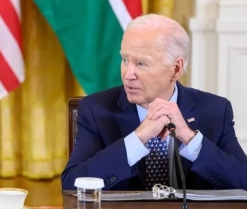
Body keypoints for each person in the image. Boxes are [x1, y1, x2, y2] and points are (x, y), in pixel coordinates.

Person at [61, 14, 247, 191]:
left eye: (141, 63)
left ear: (176, 68)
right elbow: (72, 184)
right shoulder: (96, 111)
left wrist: (189, 138)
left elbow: (243, 180)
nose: (128, 74)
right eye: (125, 60)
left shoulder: (215, 111)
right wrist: (138, 138)